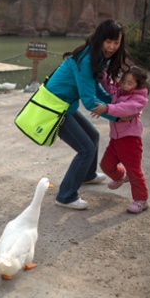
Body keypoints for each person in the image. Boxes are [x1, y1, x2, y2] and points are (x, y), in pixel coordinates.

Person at [44, 19, 131, 210]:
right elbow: (90, 101)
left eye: (116, 43)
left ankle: (87, 175)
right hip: (54, 107)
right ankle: (65, 196)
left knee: (93, 136)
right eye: (108, 41)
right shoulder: (85, 59)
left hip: (66, 104)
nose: (112, 47)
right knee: (86, 149)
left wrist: (117, 104)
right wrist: (117, 115)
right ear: (100, 39)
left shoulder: (97, 57)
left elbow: (96, 89)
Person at [91, 66, 150, 213]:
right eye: (124, 81)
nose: (124, 85)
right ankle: (121, 177)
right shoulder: (119, 91)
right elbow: (109, 86)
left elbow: (126, 108)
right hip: (116, 139)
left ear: (138, 85)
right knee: (106, 165)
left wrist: (107, 109)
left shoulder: (139, 98)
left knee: (134, 171)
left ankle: (141, 200)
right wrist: (102, 74)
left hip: (130, 140)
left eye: (130, 83)